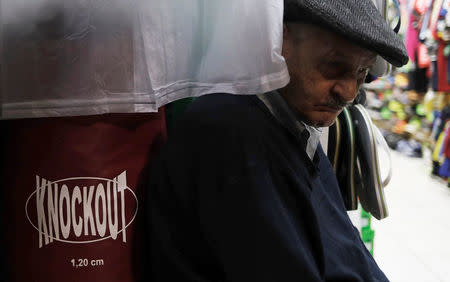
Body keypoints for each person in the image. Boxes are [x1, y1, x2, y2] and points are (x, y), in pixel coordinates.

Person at [145, 0, 408, 281]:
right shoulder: (230, 134)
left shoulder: (292, 125)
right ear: (280, 41)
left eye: (361, 72)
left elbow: (348, 250)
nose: (349, 91)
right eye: (334, 66)